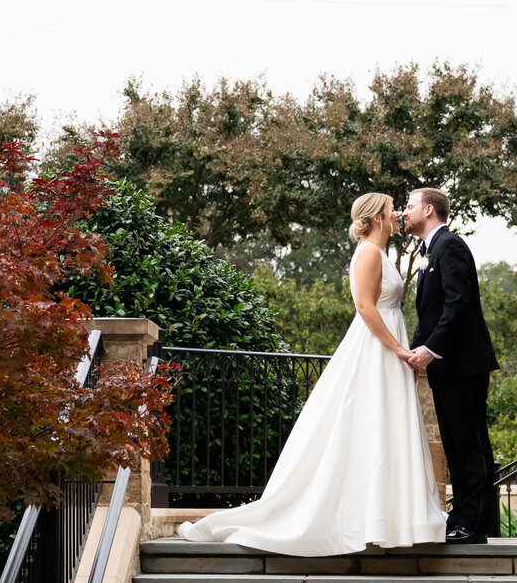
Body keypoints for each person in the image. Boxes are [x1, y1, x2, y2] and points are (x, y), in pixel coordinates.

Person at [178, 192, 446, 555]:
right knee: (369, 425)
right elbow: (365, 308)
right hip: (377, 348)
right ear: (378, 217)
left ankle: (390, 518)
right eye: (391, 208)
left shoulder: (381, 253)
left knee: (386, 430)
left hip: (389, 347)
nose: (397, 213)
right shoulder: (368, 252)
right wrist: (399, 349)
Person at [402, 186, 499, 543]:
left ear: (429, 210)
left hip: (463, 364)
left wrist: (430, 349)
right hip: (447, 367)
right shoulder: (431, 251)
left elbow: (458, 305)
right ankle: (465, 518)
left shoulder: (451, 245)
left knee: (469, 445)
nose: (404, 212)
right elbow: (430, 315)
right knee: (457, 446)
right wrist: (410, 352)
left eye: (409, 206)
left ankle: (471, 525)